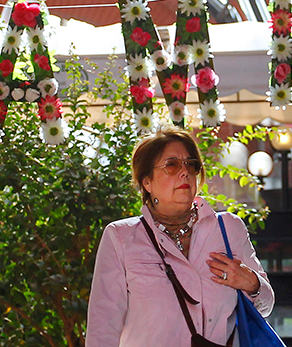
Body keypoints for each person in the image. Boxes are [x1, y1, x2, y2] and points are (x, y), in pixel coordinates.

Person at [86, 126, 275, 346]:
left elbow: (266, 305)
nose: (184, 171)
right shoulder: (121, 237)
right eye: (172, 165)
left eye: (190, 164)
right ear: (147, 182)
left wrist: (252, 283)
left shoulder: (228, 228)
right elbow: (103, 327)